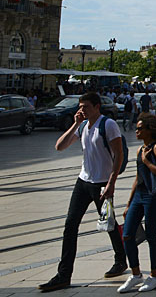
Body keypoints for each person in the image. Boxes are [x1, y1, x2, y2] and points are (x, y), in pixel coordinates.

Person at [39, 93, 127, 293]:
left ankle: (121, 260)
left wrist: (111, 183)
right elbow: (59, 146)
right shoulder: (83, 126)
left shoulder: (109, 124)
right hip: (83, 182)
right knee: (70, 226)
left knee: (109, 224)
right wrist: (74, 124)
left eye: (86, 106)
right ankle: (63, 275)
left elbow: (118, 155)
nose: (82, 110)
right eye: (80, 106)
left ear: (97, 106)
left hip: (102, 183)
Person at [117, 113, 156, 293]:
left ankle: (155, 276)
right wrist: (128, 203)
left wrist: (147, 161)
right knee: (127, 235)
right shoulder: (140, 150)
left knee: (151, 235)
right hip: (139, 195)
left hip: (153, 196)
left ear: (149, 130)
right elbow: (137, 177)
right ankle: (136, 274)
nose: (136, 131)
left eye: (140, 128)